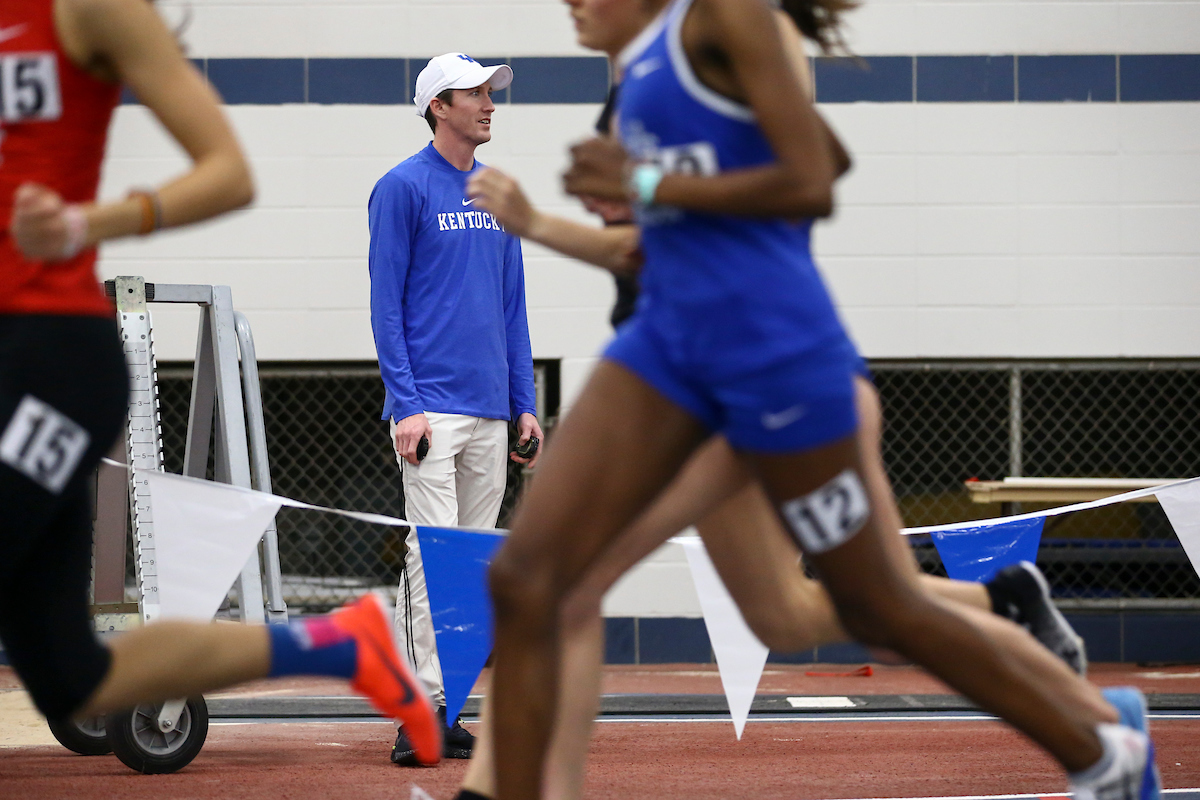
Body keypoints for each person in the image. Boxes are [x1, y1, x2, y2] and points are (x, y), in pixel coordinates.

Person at [481, 0, 1161, 799]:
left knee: (872, 603)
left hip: (771, 350)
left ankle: (1100, 748)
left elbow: (812, 178)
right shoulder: (639, 66)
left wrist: (640, 179)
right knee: (529, 578)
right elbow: (813, 150)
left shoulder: (725, 17)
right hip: (666, 341)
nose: (570, 2)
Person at [0, 0, 440, 765]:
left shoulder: (84, 9)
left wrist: (82, 224)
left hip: (48, 354)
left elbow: (228, 174)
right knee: (70, 675)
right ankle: (339, 644)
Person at [367, 52, 543, 765]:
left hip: (491, 412)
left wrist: (524, 402)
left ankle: (449, 708)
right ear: (439, 105)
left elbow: (513, 307)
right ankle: (420, 713)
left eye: (490, 94)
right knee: (430, 560)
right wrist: (406, 404)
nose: (489, 104)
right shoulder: (401, 188)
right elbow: (386, 307)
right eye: (475, 94)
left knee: (471, 568)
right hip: (430, 412)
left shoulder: (496, 193)